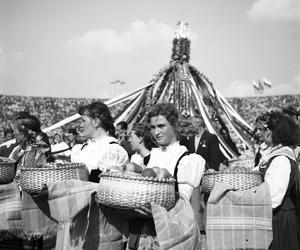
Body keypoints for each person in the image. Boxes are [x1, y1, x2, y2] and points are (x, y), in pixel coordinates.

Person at [258, 110, 300, 250]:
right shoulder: (276, 153)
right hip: (278, 214)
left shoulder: (281, 158)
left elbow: (273, 196)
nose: (260, 134)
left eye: (262, 130)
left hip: (280, 218)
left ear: (269, 132)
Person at [71, 102, 128, 182]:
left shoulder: (112, 149)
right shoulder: (81, 148)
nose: (81, 125)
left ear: (96, 122)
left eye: (83, 121)